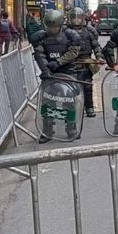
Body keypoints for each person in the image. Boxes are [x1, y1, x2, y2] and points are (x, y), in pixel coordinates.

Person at [30, 10, 82, 142]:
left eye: (54, 27)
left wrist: (59, 62)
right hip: (50, 73)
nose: (51, 30)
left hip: (67, 71)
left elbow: (73, 52)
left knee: (69, 101)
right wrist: (45, 68)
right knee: (48, 101)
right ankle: (47, 131)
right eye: (49, 27)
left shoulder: (71, 35)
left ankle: (71, 129)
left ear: (60, 25)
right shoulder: (41, 37)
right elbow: (39, 54)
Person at [65, 7, 105, 118]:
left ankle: (89, 107)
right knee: (72, 87)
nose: (76, 20)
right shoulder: (65, 31)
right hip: (71, 62)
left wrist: (99, 57)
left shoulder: (89, 30)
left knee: (87, 85)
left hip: (86, 62)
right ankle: (74, 108)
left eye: (79, 18)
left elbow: (96, 46)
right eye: (74, 18)